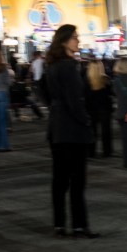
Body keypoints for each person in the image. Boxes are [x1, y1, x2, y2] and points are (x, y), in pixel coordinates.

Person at [46, 24, 100, 238]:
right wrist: (86, 121)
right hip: (72, 130)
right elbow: (75, 101)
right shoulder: (70, 67)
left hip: (56, 129)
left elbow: (46, 94)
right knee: (77, 181)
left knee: (59, 180)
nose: (78, 41)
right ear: (65, 42)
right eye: (75, 37)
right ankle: (79, 225)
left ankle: (59, 224)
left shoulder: (52, 66)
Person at [85, 59, 114, 158]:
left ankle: (91, 152)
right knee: (106, 131)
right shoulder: (106, 80)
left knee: (92, 131)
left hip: (91, 108)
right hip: (105, 108)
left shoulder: (86, 81)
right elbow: (110, 94)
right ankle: (107, 151)